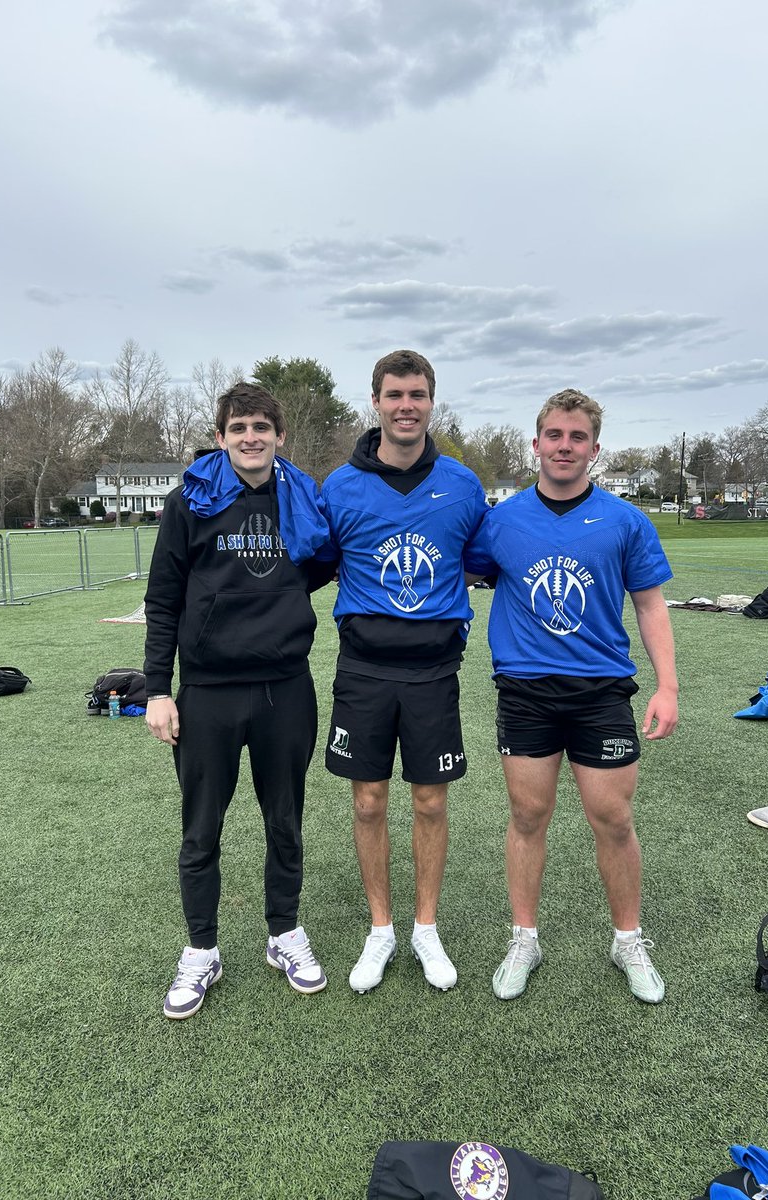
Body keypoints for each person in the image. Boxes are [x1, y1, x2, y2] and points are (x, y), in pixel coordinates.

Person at [464, 389, 679, 1003]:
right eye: (554, 435)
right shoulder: (500, 521)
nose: (564, 446)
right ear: (535, 444)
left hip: (600, 691)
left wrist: (667, 685)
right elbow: (467, 571)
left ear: (594, 448)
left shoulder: (624, 520)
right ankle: (524, 938)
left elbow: (649, 603)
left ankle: (628, 939)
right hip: (525, 691)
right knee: (529, 816)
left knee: (611, 817)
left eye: (577, 437)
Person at [144, 381, 336, 1019]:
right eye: (238, 427)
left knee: (285, 820)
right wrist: (157, 690)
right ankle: (201, 949)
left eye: (261, 426)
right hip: (207, 692)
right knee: (201, 830)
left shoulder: (303, 498)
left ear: (279, 435)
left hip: (284, 686)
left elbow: (317, 567)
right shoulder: (190, 500)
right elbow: (165, 598)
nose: (250, 437)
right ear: (222, 436)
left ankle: (284, 932)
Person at [321, 350, 488, 994]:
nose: (406, 406)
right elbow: (314, 560)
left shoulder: (462, 483)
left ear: (431, 401)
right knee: (367, 799)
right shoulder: (339, 486)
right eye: (395, 395)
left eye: (417, 394)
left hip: (433, 672)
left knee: (429, 798)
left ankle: (425, 927)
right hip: (363, 668)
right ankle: (381, 928)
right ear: (376, 402)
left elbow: (482, 557)